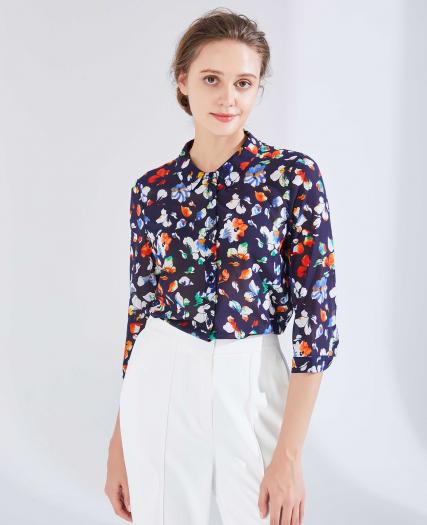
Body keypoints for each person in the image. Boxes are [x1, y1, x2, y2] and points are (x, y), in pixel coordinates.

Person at [104, 7, 339, 525]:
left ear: (257, 89)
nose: (228, 97)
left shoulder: (292, 178)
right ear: (183, 81)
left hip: (252, 374)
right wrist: (120, 441)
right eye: (212, 79)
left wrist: (290, 457)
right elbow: (141, 311)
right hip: (161, 373)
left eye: (243, 82)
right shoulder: (152, 190)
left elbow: (316, 320)